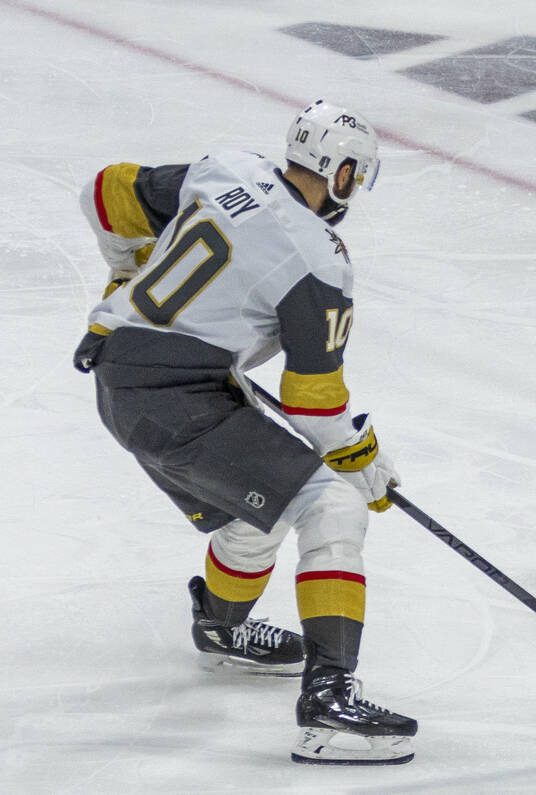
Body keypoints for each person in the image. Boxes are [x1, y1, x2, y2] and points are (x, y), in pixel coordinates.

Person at [73, 100, 416, 765]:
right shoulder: (320, 258)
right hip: (182, 399)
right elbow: (313, 403)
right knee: (332, 503)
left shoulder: (224, 169)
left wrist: (124, 274)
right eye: (356, 177)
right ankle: (328, 704)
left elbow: (104, 190)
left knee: (262, 502)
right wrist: (360, 457)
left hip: (121, 381)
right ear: (341, 173)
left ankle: (222, 627)